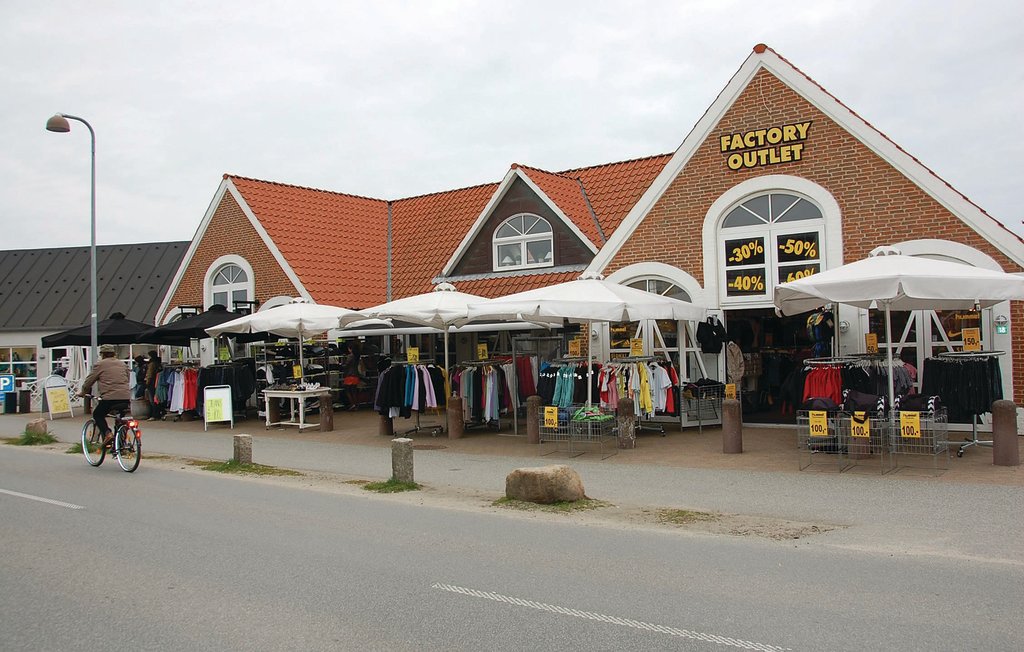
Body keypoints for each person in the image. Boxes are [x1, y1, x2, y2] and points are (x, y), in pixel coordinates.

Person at [78, 344, 131, 447]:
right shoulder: (122, 364)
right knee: (121, 419)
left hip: (109, 398)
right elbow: (127, 378)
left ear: (102, 354)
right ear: (114, 353)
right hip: (125, 397)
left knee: (98, 414)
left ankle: (107, 433)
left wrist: (83, 392)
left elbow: (89, 381)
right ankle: (121, 446)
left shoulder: (100, 365)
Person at [145, 350, 163, 420]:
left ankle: (155, 414)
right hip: (157, 382)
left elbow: (149, 374)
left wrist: (147, 383)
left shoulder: (151, 364)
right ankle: (159, 412)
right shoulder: (158, 363)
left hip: (152, 383)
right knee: (157, 398)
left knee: (152, 399)